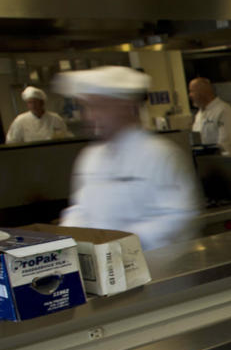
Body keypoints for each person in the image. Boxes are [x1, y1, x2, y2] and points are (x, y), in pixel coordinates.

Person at [53, 66, 202, 251]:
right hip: (107, 268)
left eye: (100, 106)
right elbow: (80, 209)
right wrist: (70, 238)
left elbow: (178, 219)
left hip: (157, 269)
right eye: (86, 107)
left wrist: (116, 242)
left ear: (127, 106)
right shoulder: (90, 157)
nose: (91, 116)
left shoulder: (161, 155)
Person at [188, 77, 231, 155]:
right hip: (207, 162)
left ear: (203, 92)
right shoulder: (199, 114)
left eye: (192, 91)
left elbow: (227, 144)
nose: (190, 95)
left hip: (225, 162)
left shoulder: (223, 111)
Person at [5, 86, 72, 143]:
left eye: (35, 102)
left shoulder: (55, 118)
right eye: (30, 102)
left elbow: (65, 136)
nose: (33, 105)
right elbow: (11, 141)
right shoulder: (20, 120)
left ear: (42, 103)